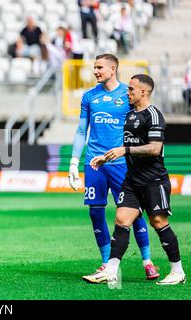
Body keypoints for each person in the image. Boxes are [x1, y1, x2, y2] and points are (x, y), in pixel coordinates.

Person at [69, 54, 160, 284]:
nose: (95, 71)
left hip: (122, 164)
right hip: (94, 162)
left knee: (132, 212)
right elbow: (82, 131)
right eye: (94, 67)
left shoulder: (127, 95)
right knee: (96, 211)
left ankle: (147, 261)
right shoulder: (89, 96)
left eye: (99, 67)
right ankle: (107, 262)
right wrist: (73, 161)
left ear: (113, 69)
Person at [91, 74, 186, 286]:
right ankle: (111, 270)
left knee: (158, 222)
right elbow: (126, 147)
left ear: (143, 92)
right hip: (132, 181)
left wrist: (125, 150)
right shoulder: (130, 115)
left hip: (154, 181)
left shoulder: (154, 115)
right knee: (121, 220)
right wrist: (106, 157)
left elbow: (155, 148)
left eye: (131, 89)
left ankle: (177, 271)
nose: (127, 92)